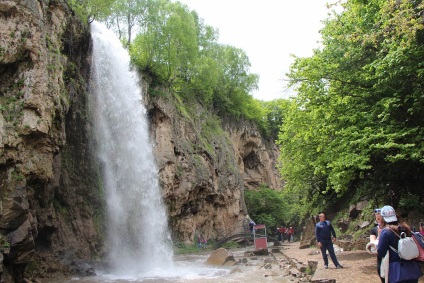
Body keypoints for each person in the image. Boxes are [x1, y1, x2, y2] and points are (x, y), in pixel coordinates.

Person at [377, 205, 422, 283]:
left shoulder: (386, 232)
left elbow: (381, 252)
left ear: (383, 218)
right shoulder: (407, 228)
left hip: (397, 270)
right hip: (412, 268)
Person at [368, 208, 385, 283]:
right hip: (381, 257)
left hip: (391, 257)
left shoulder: (390, 228)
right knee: (381, 274)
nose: (378, 217)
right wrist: (379, 235)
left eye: (380, 215)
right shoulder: (374, 230)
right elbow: (373, 245)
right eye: (376, 216)